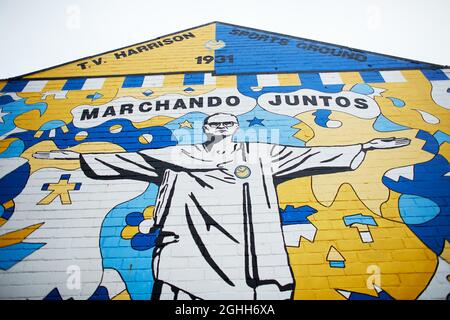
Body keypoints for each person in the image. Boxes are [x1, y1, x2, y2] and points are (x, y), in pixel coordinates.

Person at [33, 112, 410, 300]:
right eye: (215, 122)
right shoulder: (177, 154)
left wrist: (364, 146)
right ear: (207, 129)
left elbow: (310, 156)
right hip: (188, 239)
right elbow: (125, 160)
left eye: (228, 122)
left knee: (245, 292)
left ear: (233, 128)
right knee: (183, 291)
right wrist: (67, 156)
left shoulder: (261, 154)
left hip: (244, 242)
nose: (222, 125)